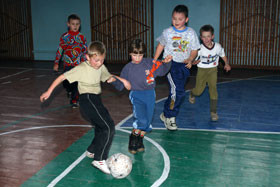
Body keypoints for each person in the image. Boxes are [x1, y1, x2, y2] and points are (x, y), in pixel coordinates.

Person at [40, 41, 131, 174]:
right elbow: (61, 77)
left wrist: (122, 80)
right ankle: (100, 159)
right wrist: (49, 91)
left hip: (96, 100)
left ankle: (92, 150)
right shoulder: (81, 68)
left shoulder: (100, 67)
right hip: (87, 100)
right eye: (96, 60)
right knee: (108, 127)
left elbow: (108, 77)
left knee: (101, 127)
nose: (99, 63)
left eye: (102, 60)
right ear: (88, 57)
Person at [112, 39, 172, 154]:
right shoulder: (127, 68)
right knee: (141, 119)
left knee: (147, 122)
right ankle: (133, 140)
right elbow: (120, 85)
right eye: (135, 55)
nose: (138, 58)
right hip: (136, 95)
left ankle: (139, 140)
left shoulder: (149, 63)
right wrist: (112, 80)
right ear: (130, 54)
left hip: (150, 94)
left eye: (140, 55)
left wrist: (167, 62)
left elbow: (163, 70)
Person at [153, 5, 200, 131]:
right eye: (174, 18)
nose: (177, 21)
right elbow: (161, 45)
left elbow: (195, 50)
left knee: (175, 92)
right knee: (178, 92)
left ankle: (165, 113)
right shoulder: (167, 32)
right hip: (170, 65)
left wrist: (190, 59)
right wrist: (155, 60)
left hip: (184, 65)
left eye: (180, 19)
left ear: (186, 19)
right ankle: (170, 117)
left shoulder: (191, 33)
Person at [189, 24, 231, 121]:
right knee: (199, 91)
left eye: (208, 36)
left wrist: (226, 64)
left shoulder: (218, 47)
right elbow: (193, 60)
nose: (206, 39)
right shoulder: (199, 49)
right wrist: (194, 62)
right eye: (204, 37)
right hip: (202, 70)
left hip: (213, 70)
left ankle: (213, 112)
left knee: (213, 89)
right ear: (201, 38)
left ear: (212, 36)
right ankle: (192, 93)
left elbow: (223, 55)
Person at [53, 14, 87, 108]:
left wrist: (86, 62)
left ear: (80, 25)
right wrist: (56, 62)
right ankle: (69, 90)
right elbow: (60, 50)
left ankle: (74, 100)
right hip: (68, 64)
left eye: (77, 24)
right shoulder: (65, 37)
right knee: (66, 82)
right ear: (68, 24)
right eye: (73, 24)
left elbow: (85, 50)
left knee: (77, 83)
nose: (75, 26)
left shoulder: (82, 37)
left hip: (79, 64)